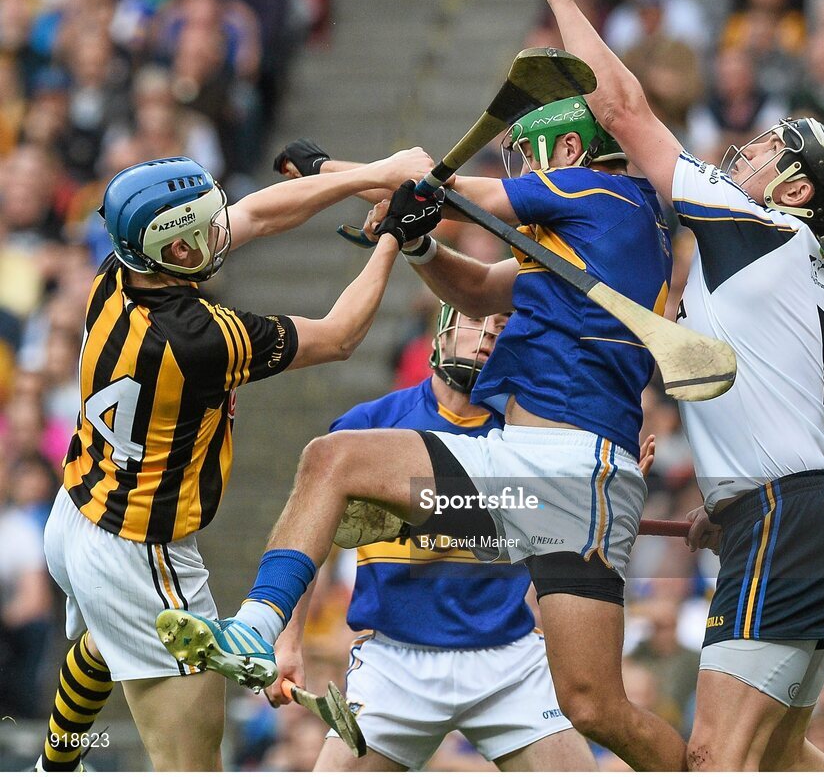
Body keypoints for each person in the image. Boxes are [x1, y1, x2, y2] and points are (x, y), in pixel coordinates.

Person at [157, 99, 692, 772]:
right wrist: (417, 242)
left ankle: (258, 623)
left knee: (597, 708)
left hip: (557, 470)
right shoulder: (584, 240)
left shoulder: (593, 189)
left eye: (528, 158)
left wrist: (342, 172)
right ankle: (262, 626)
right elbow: (475, 289)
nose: (522, 172)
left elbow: (446, 192)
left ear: (566, 151)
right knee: (336, 458)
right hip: (527, 477)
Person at [520, 0, 824, 771]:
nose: (746, 149)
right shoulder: (810, 277)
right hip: (811, 517)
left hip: (788, 521)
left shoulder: (755, 227)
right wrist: (741, 497)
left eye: (767, 151)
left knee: (714, 759)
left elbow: (623, 111)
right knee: (782, 760)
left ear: (793, 191)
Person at [35, 147, 441, 772]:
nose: (218, 229)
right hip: (141, 551)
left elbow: (252, 215)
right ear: (175, 252)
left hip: (77, 511)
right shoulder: (198, 338)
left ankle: (54, 766)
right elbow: (338, 336)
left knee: (104, 637)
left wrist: (372, 175)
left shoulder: (115, 274)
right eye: (200, 228)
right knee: (193, 762)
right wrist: (393, 236)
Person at [291, 303, 594, 771]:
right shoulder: (368, 427)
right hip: (395, 663)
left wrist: (600, 501)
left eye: (503, 327)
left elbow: (560, 535)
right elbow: (306, 538)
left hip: (509, 661)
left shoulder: (531, 437)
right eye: (477, 320)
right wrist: (288, 640)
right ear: (442, 331)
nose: (489, 334)